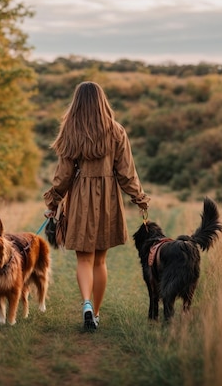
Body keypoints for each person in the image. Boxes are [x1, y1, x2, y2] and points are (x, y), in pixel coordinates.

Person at [43, 81, 150, 331]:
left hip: (80, 198)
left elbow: (64, 175)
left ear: (77, 103)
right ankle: (97, 314)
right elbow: (126, 174)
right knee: (100, 261)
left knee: (84, 259)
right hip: (108, 200)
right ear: (103, 102)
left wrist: (53, 202)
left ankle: (87, 305)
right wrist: (140, 199)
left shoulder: (71, 131)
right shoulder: (116, 131)